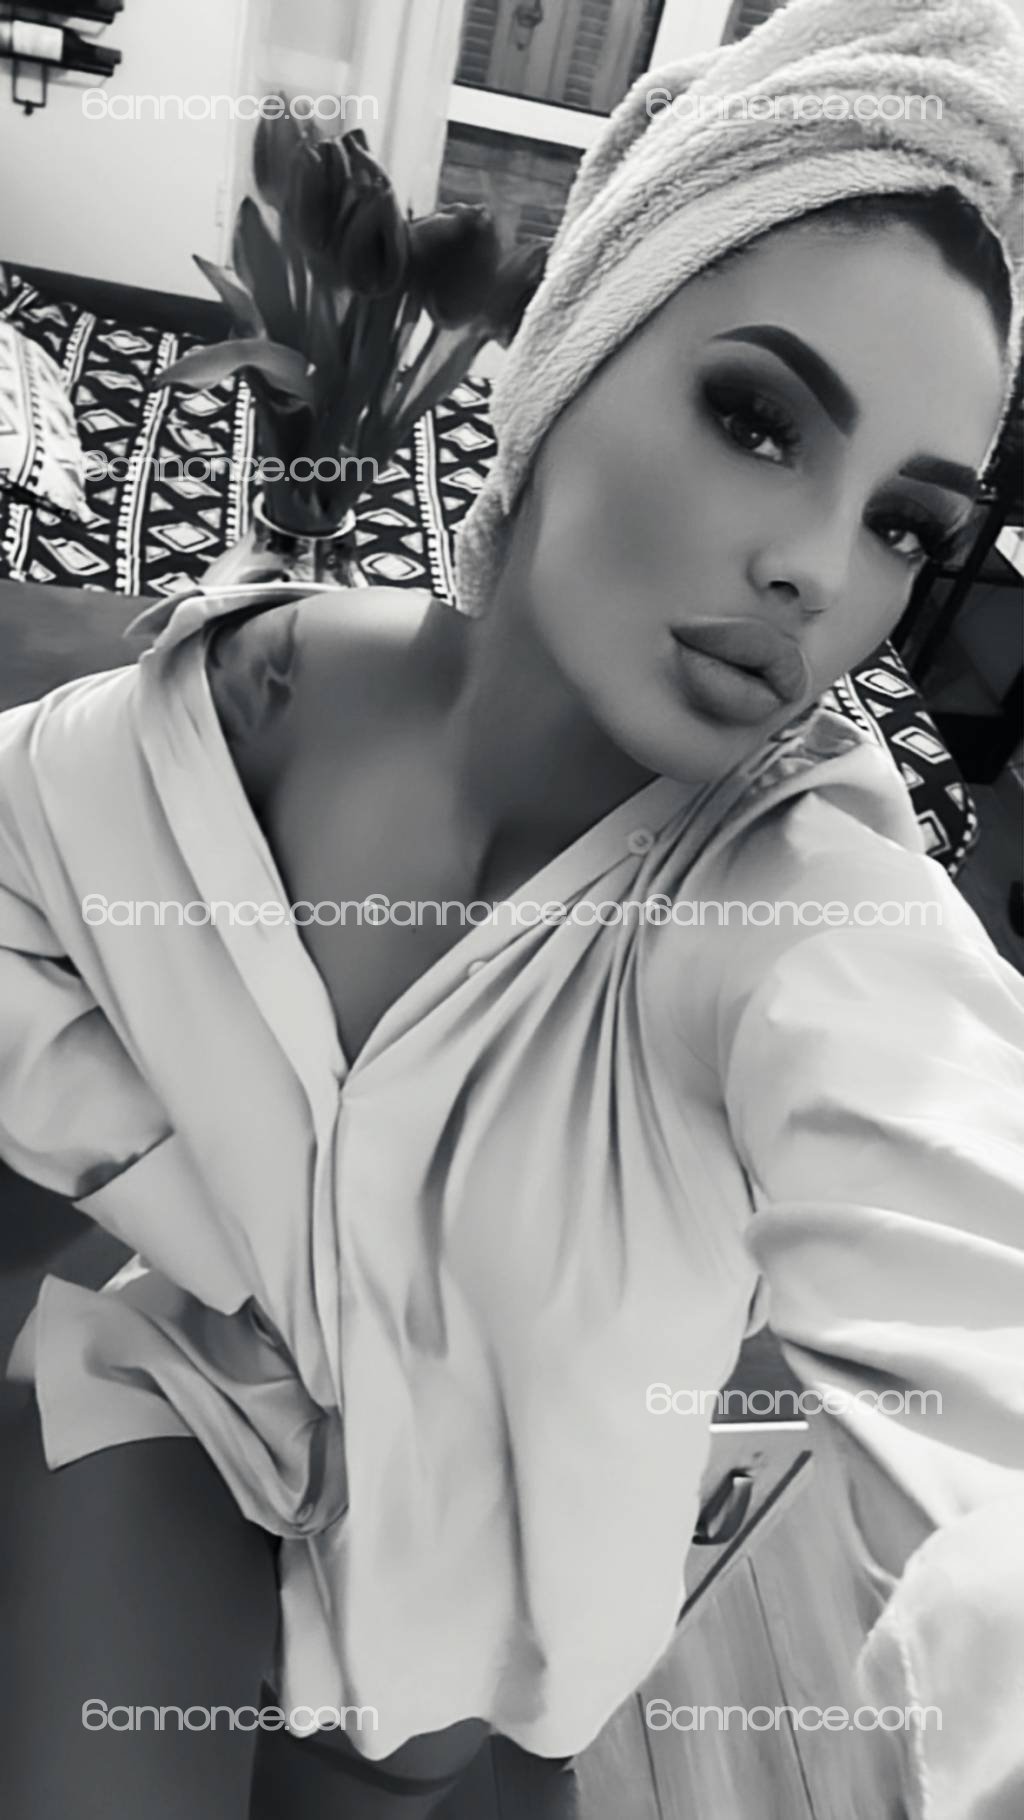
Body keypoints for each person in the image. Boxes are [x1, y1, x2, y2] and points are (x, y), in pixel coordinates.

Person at [2, 0, 1024, 1815]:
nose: (818, 567)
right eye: (759, 418)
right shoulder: (216, 717)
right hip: (183, 1423)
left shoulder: (797, 913)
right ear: (569, 353)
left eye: (905, 526)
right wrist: (193, 1200)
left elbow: (967, 1265)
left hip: (462, 1677)